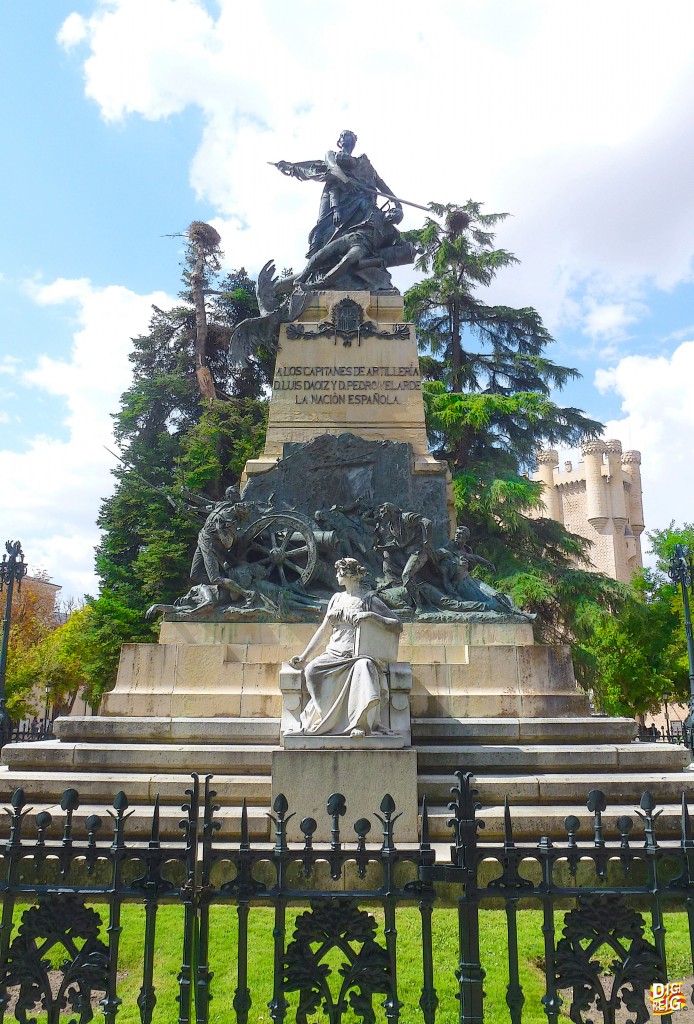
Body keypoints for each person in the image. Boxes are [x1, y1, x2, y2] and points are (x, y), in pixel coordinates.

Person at [288, 558, 401, 737]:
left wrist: (370, 616)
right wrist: (304, 657)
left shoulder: (369, 599)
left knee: (364, 668)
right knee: (311, 671)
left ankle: (359, 724)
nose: (337, 576)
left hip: (358, 654)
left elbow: (396, 624)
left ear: (350, 575)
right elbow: (324, 630)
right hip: (334, 653)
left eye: (339, 572)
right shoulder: (336, 599)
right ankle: (325, 719)